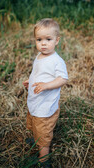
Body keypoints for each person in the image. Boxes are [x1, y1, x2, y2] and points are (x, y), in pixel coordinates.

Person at [23, 18, 68, 167]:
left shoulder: (56, 61)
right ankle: (37, 138)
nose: (43, 43)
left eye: (48, 39)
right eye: (39, 39)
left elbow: (62, 79)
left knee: (43, 130)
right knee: (34, 124)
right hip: (35, 102)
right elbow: (39, 74)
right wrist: (31, 82)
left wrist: (47, 85)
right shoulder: (39, 56)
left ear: (57, 40)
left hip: (46, 106)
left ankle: (44, 158)